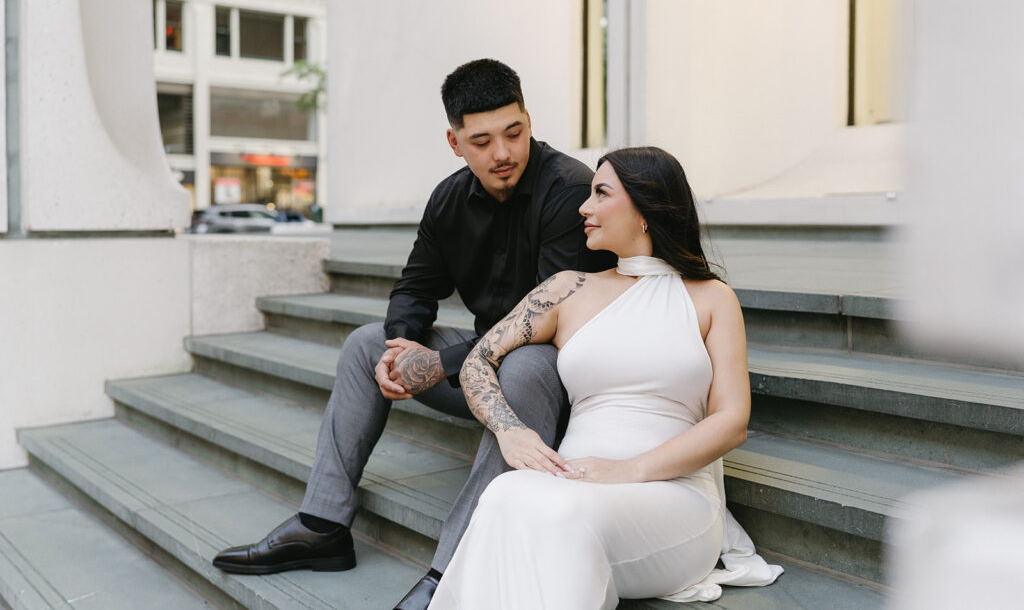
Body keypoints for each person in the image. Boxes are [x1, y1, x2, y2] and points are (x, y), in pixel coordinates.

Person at [210, 58, 613, 610]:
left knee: (525, 363)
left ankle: (451, 573)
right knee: (364, 344)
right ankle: (323, 525)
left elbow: (539, 322)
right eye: (482, 140)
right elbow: (415, 286)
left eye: (514, 133)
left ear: (528, 119)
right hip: (482, 368)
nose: (502, 153)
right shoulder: (449, 199)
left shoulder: (569, 192)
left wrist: (441, 365)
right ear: (455, 142)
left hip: (556, 376)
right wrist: (401, 345)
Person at [429, 147, 784, 609]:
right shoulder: (568, 289)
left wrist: (626, 471)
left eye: (600, 193)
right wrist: (510, 430)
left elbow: (732, 420)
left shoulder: (713, 299)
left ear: (645, 210)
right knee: (503, 494)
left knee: (560, 514)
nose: (584, 206)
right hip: (573, 480)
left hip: (671, 498)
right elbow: (479, 360)